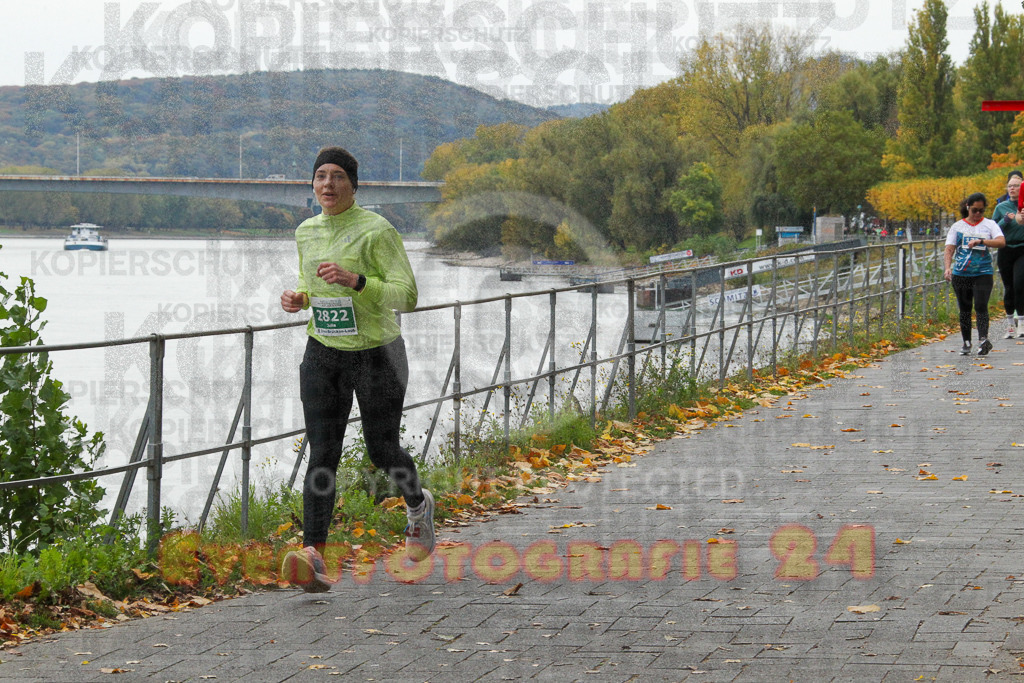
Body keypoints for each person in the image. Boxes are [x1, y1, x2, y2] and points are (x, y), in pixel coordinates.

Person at [279, 147, 435, 592]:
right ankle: (314, 555)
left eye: (338, 177)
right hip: (323, 351)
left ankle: (418, 506)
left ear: (353, 185)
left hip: (378, 354)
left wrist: (357, 281)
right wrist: (299, 299)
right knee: (321, 452)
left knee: (382, 451)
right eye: (320, 176)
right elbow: (313, 285)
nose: (328, 184)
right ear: (312, 185)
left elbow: (407, 296)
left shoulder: (377, 230)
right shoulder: (306, 232)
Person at [944, 192, 1006, 356]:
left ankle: (983, 340)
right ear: (968, 208)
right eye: (974, 210)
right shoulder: (957, 226)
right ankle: (966, 342)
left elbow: (1001, 241)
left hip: (983, 272)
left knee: (980, 305)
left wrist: (983, 241)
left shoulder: (989, 224)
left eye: (981, 210)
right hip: (961, 273)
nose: (978, 214)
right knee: (964, 308)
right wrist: (947, 267)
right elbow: (949, 249)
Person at [991, 174, 1024, 338]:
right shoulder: (1001, 207)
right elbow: (992, 229)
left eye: (1016, 186)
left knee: (1019, 285)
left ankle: (1022, 324)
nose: (1012, 188)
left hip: (1022, 248)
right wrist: (1005, 220)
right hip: (1005, 249)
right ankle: (1010, 324)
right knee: (1009, 287)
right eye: (1010, 186)